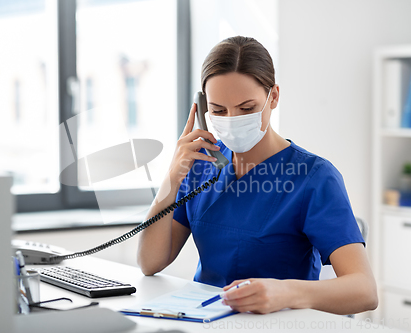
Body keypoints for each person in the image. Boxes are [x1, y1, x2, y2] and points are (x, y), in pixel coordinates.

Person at [137, 36, 377, 315]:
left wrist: (286, 292)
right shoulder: (201, 165)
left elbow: (365, 291)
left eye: (247, 108)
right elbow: (149, 262)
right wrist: (172, 177)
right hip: (204, 320)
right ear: (203, 109)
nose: (232, 119)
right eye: (218, 110)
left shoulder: (314, 178)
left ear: (273, 96)